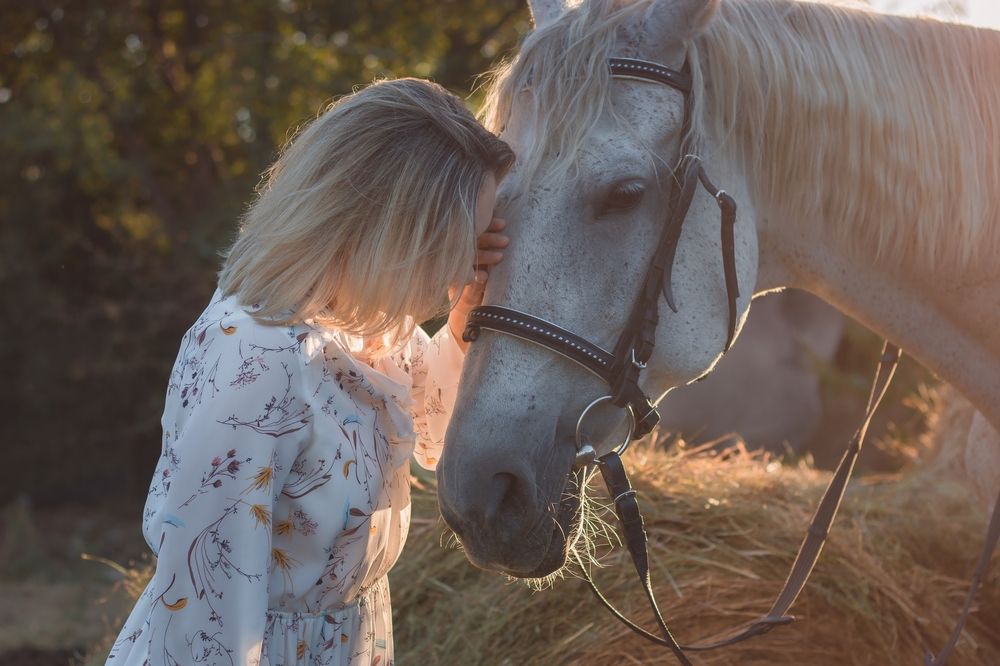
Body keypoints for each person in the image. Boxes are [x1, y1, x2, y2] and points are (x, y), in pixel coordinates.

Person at [106, 77, 513, 666]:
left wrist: (464, 317)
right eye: (453, 242)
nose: (461, 264)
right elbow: (207, 611)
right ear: (393, 231)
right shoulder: (259, 360)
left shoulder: (372, 327)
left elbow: (434, 433)